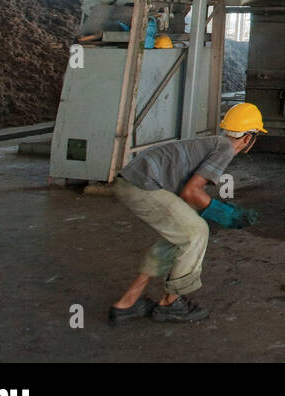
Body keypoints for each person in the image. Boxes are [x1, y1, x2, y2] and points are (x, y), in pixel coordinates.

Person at [108, 102, 265, 325]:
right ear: (249, 137)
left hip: (132, 180)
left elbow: (188, 193)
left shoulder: (213, 142)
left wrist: (212, 210)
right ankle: (171, 304)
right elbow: (191, 191)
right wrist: (228, 214)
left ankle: (127, 303)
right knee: (196, 231)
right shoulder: (226, 148)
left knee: (174, 239)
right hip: (141, 185)